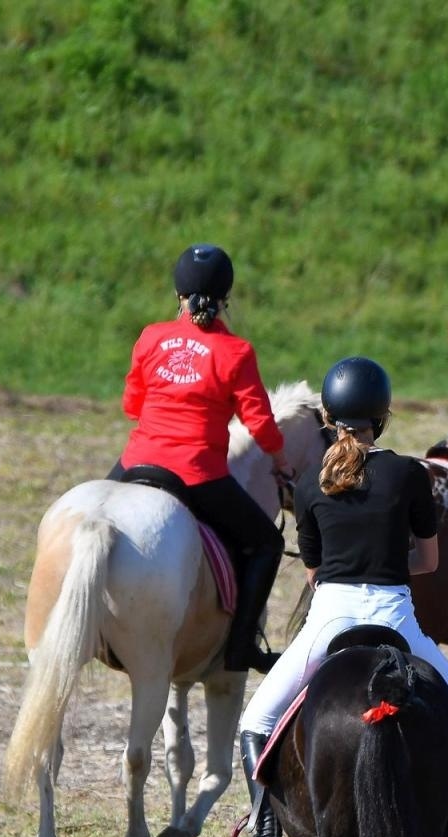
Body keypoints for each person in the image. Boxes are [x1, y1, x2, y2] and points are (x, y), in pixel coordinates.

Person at [232, 357, 448, 837]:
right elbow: (427, 561)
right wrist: (385, 560)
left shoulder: (309, 483)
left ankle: (265, 834)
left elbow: (314, 573)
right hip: (397, 619)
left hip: (330, 619)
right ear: (382, 417)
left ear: (327, 416)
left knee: (257, 720)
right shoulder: (409, 474)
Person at [114, 243, 294, 674]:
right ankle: (241, 649)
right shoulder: (236, 351)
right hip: (198, 476)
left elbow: (131, 406)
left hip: (137, 463)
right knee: (267, 544)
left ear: (178, 293)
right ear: (226, 297)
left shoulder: (150, 337)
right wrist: (280, 461)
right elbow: (260, 423)